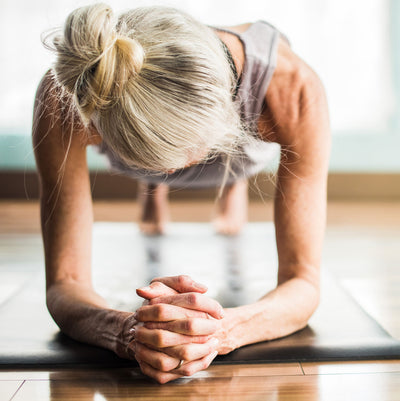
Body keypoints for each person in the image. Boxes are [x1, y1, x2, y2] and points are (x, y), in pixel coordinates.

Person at [32, 3, 330, 384]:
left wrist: (220, 332)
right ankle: (151, 190)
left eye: (173, 161)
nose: (175, 173)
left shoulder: (294, 89)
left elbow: (303, 282)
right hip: (167, 123)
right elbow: (64, 283)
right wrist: (127, 333)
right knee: (156, 176)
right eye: (156, 165)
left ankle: (230, 186)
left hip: (241, 149)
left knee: (237, 167)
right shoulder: (71, 94)